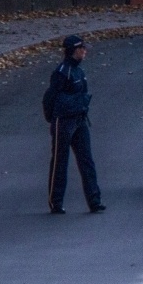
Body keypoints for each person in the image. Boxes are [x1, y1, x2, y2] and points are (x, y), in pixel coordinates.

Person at [44, 35, 105, 214]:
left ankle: (94, 200)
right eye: (82, 48)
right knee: (60, 162)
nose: (85, 51)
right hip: (63, 122)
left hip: (79, 120)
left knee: (87, 161)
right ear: (73, 50)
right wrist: (53, 119)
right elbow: (49, 98)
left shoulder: (79, 72)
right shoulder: (62, 72)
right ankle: (56, 203)